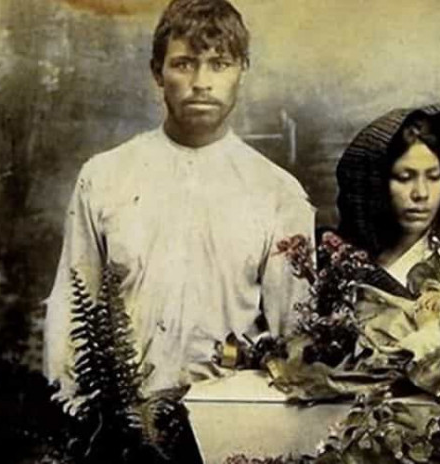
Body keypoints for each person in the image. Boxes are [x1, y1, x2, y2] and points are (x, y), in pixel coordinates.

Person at [43, 0, 314, 402]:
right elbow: (70, 308)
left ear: (242, 70)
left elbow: (294, 337)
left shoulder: (278, 193)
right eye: (184, 64)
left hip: (232, 419)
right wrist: (73, 410)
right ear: (158, 71)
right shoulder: (103, 177)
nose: (201, 82)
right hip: (118, 417)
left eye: (219, 64)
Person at [335, 104, 440, 298]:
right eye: (404, 177)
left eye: (434, 177)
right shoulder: (339, 262)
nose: (421, 193)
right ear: (376, 183)